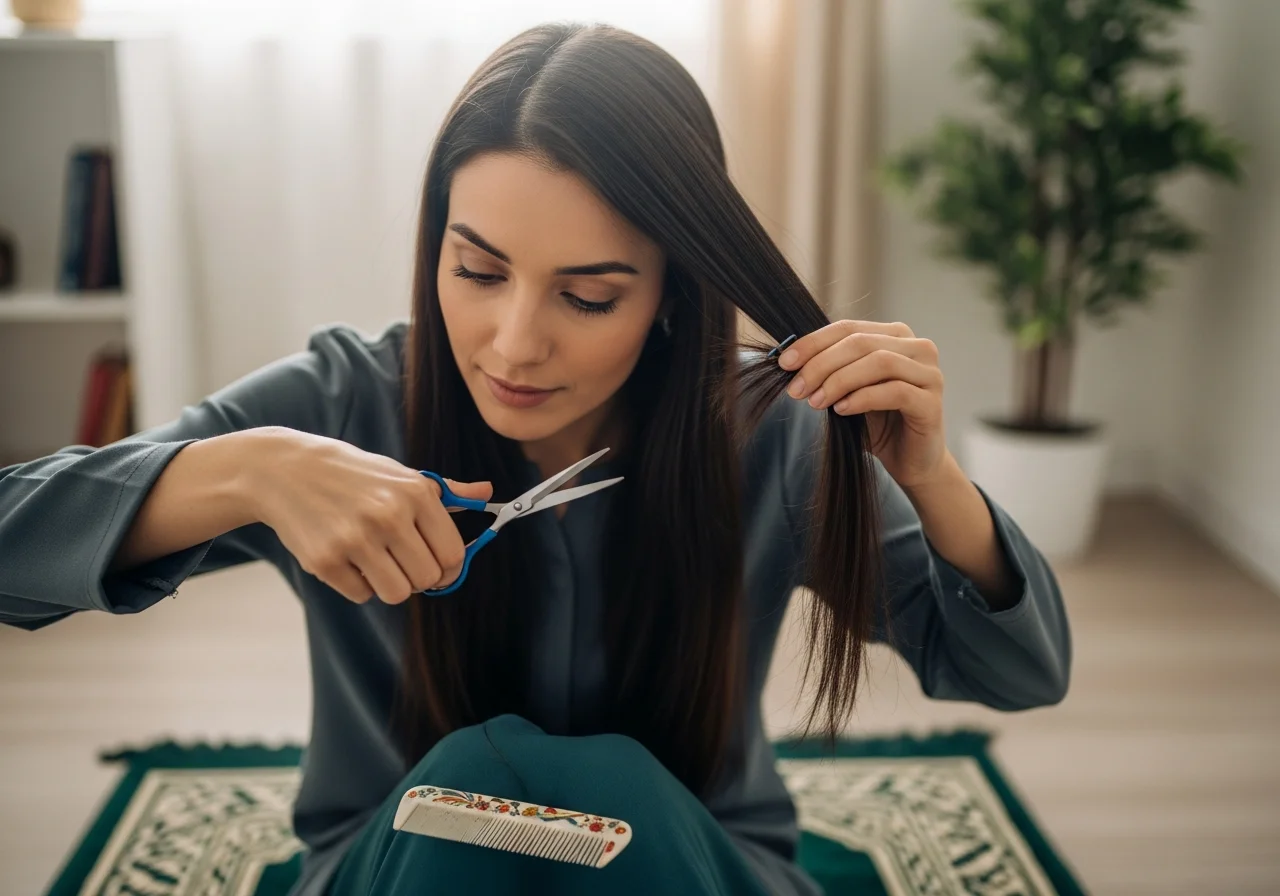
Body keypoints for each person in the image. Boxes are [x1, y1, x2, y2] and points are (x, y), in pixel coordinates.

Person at [0, 22, 1071, 896]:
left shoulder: (770, 427)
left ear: (668, 294)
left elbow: (1018, 671)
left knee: (599, 786)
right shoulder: (341, 402)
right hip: (396, 864)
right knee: (468, 789)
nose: (514, 344)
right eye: (476, 270)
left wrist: (928, 474)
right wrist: (244, 472)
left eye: (587, 295)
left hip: (695, 864)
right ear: (435, 249)